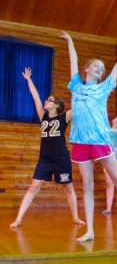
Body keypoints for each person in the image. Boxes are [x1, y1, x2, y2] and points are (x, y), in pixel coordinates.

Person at [60, 31, 117, 242]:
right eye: (96, 66)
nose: (100, 69)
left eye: (102, 68)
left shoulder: (104, 88)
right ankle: (90, 230)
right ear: (87, 69)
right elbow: (72, 61)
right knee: (87, 186)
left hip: (101, 141)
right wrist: (71, 41)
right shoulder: (75, 85)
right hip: (80, 142)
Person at [10, 67, 85, 228]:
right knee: (34, 187)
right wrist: (29, 79)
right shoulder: (43, 115)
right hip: (44, 159)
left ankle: (76, 217)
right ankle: (18, 219)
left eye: (49, 100)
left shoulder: (64, 117)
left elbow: (79, 106)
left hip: (61, 159)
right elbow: (35, 97)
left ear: (57, 105)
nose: (46, 101)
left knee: (68, 188)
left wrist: (83, 91)